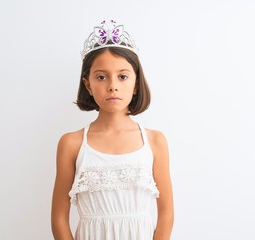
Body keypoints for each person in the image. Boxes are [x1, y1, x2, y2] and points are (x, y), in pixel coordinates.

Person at [51, 19, 174, 240]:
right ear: (88, 85)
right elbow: (59, 218)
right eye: (101, 77)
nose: (112, 85)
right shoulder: (72, 144)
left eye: (123, 76)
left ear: (136, 84)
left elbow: (166, 214)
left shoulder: (155, 141)